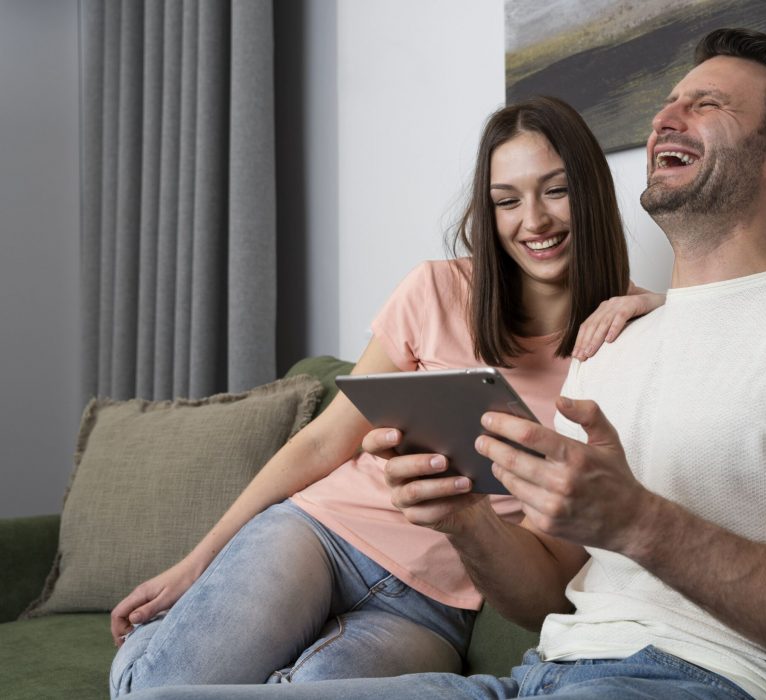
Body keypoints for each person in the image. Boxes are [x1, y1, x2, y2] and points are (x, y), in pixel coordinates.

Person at [129, 27, 766, 700]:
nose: (667, 117)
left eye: (704, 105)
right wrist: (462, 518)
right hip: (534, 676)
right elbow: (550, 596)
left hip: (689, 680)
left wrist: (636, 519)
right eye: (667, 104)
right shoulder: (614, 343)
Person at [109, 95, 664, 697]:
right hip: (320, 535)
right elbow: (323, 439)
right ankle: (159, 648)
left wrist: (667, 308)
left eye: (555, 191)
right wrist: (197, 564)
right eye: (507, 200)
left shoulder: (629, 343)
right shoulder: (436, 288)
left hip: (432, 607)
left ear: (592, 193)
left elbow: (550, 564)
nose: (533, 221)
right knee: (162, 686)